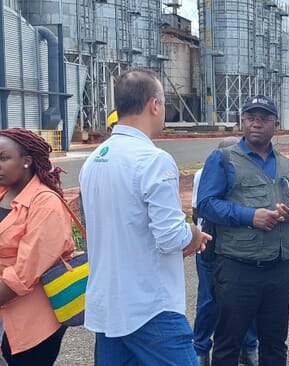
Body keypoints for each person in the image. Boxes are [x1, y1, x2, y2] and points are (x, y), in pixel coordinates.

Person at [79, 69, 210, 365]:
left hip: (108, 305)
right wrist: (194, 233)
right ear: (154, 104)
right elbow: (170, 237)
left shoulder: (96, 159)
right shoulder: (153, 159)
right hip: (150, 307)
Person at [197, 95, 289, 366]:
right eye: (250, 117)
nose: (256, 123)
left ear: (275, 124)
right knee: (228, 344)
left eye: (264, 119)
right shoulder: (223, 159)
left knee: (275, 344)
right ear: (242, 121)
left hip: (280, 270)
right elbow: (205, 204)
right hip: (237, 269)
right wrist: (250, 216)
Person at [0, 128, 75, 365]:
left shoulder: (46, 204)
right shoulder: (3, 193)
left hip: (32, 321)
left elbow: (24, 274)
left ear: (27, 161)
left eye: (3, 158)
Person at [191, 136, 259, 366]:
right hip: (215, 247)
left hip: (230, 248)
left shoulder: (245, 171)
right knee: (212, 301)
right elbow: (198, 210)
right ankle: (206, 350)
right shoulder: (205, 174)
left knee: (235, 300)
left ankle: (243, 347)